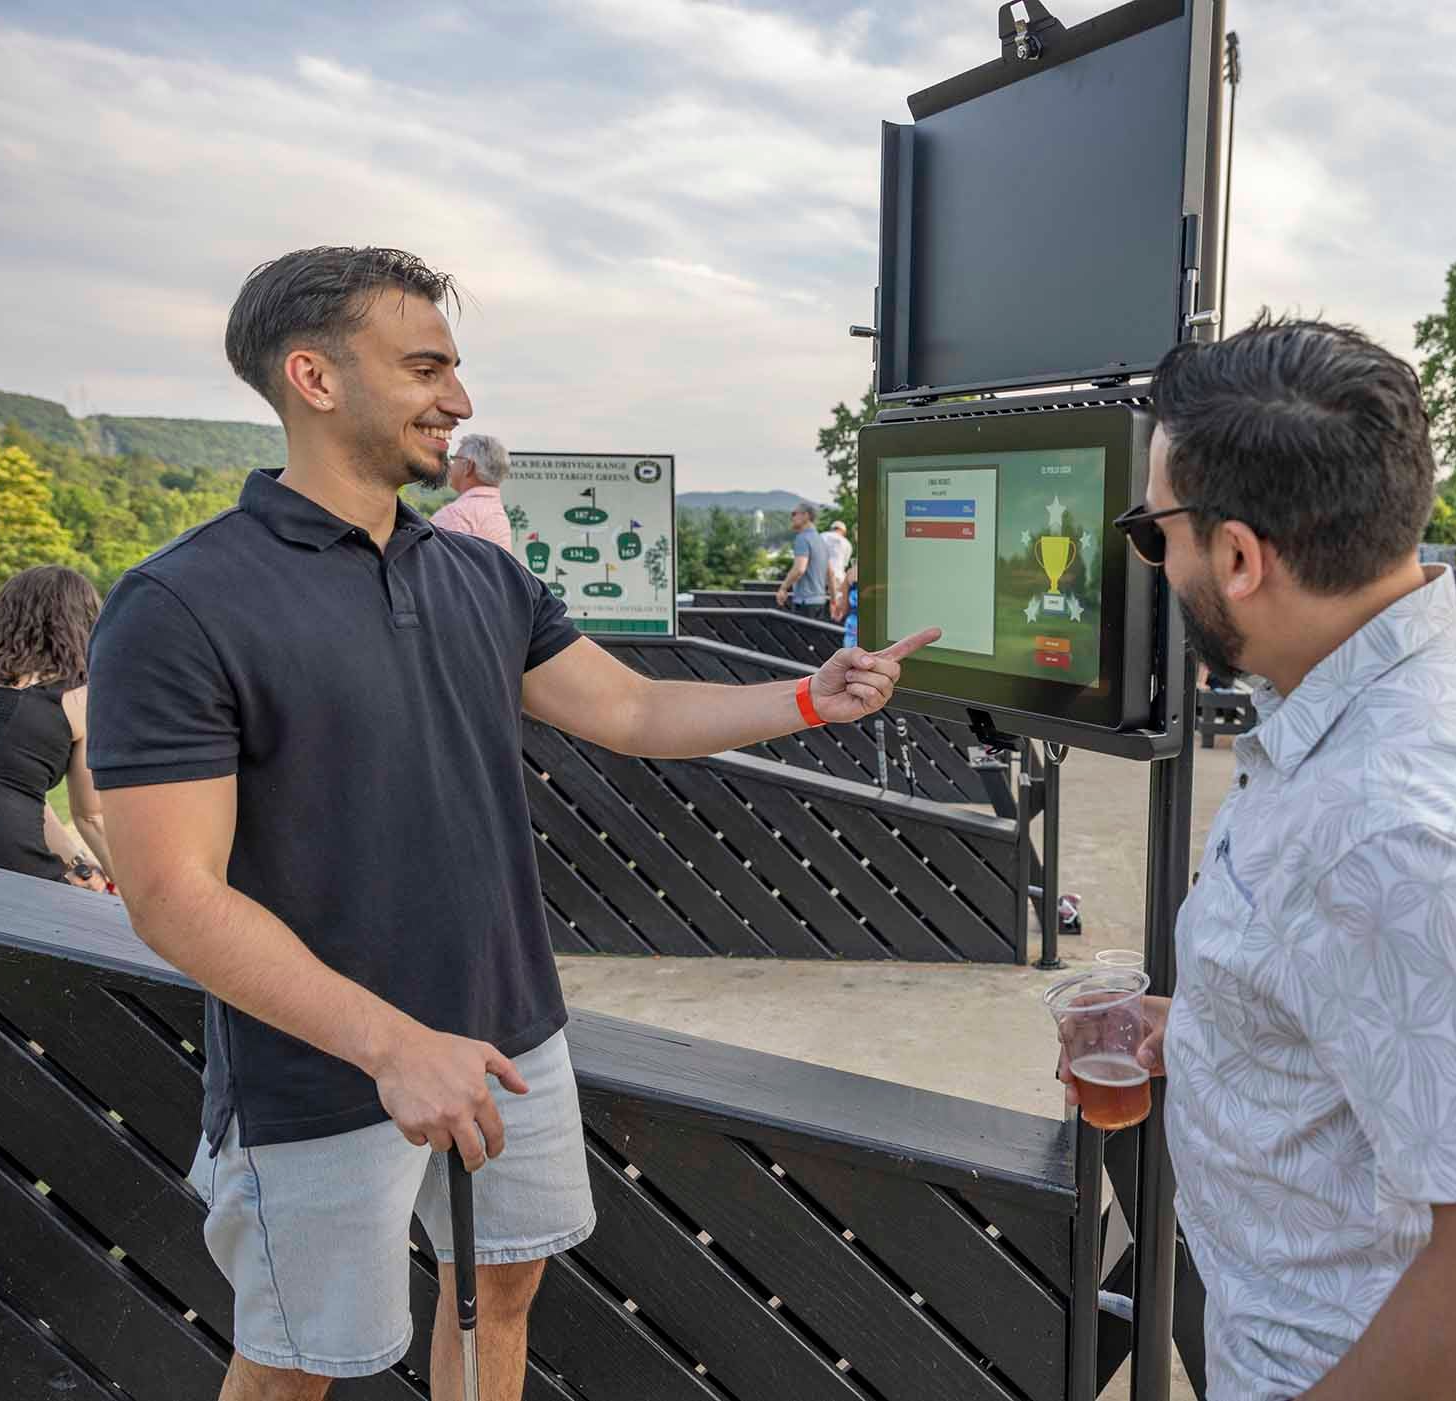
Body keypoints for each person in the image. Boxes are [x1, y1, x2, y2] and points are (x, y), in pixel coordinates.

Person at [87, 245, 935, 1401]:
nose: (462, 401)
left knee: (498, 1299)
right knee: (296, 1364)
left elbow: (630, 706)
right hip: (318, 1072)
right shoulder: (179, 603)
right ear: (314, 378)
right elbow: (170, 896)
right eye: (426, 367)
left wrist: (804, 697)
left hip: (512, 1034)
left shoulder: (480, 581)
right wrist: (392, 1045)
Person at [1065, 317, 1456, 1400]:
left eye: (1152, 531)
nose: (1156, 562)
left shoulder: (1397, 829)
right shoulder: (1389, 686)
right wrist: (1220, 1027)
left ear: (1239, 557)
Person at [0, 565, 114, 891]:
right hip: (2, 871)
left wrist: (76, 863)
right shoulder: (76, 699)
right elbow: (91, 817)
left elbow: (14, 786)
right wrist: (137, 895)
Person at [429, 432, 517, 556]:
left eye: (455, 459)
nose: (450, 465)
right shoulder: (497, 514)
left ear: (468, 466)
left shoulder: (456, 515)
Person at [773, 503, 831, 619]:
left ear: (806, 516)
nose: (792, 518)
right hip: (820, 602)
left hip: (805, 603)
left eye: (794, 514)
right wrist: (834, 599)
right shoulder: (820, 540)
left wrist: (783, 588)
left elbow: (799, 568)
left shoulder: (802, 538)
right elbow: (830, 573)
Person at [825, 519, 853, 600]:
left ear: (832, 528)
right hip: (837, 578)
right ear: (843, 532)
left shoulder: (822, 536)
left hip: (818, 578)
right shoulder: (847, 544)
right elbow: (844, 567)